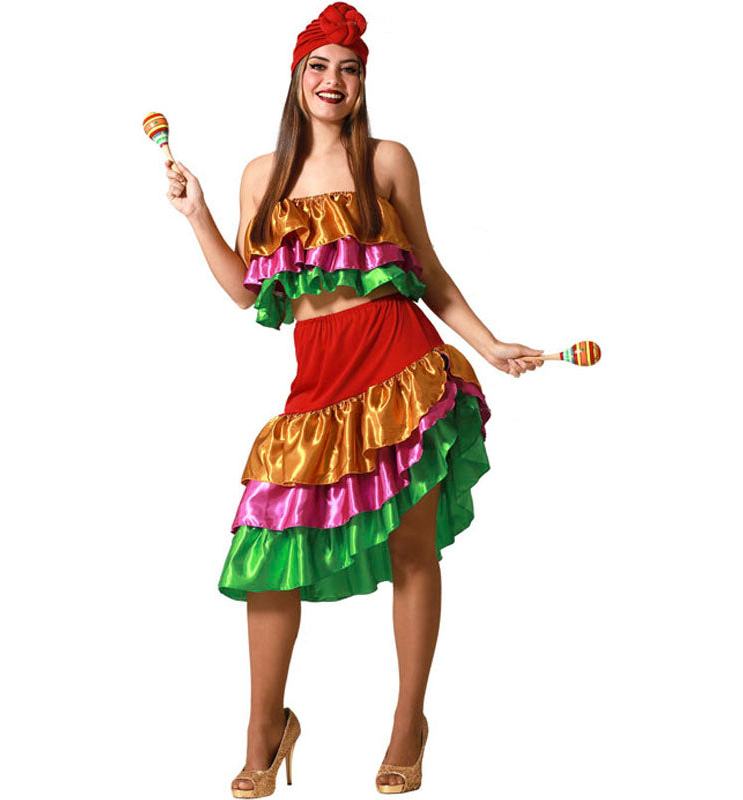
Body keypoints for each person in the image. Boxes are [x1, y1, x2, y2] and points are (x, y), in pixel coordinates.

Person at [162, 3, 544, 795]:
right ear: (297, 77)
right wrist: (198, 217)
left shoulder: (387, 161)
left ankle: (409, 725)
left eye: (349, 68)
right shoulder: (261, 176)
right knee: (270, 554)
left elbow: (428, 271)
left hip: (402, 370)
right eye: (319, 66)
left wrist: (488, 344)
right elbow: (246, 293)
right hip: (319, 385)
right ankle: (265, 730)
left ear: (363, 83)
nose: (333, 81)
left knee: (412, 551)